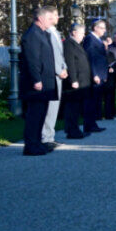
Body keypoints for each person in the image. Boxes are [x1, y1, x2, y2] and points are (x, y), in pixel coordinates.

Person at [19, 6, 59, 156]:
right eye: (49, 18)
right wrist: (36, 79)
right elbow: (32, 59)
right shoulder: (32, 34)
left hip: (45, 82)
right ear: (40, 18)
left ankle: (37, 143)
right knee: (34, 115)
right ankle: (30, 145)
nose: (51, 21)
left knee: (41, 114)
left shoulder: (42, 33)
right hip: (37, 82)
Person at [42, 9, 69, 152]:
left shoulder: (55, 33)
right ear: (50, 16)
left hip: (59, 73)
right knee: (50, 108)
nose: (58, 17)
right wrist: (59, 70)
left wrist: (64, 67)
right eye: (56, 15)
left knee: (54, 108)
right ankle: (45, 137)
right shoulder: (47, 33)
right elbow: (51, 55)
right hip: (52, 75)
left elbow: (60, 54)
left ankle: (50, 136)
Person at [62, 23, 92, 139]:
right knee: (72, 108)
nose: (83, 36)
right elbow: (70, 63)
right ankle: (72, 130)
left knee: (75, 108)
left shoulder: (76, 44)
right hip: (75, 82)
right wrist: (73, 79)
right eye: (81, 33)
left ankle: (73, 129)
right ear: (74, 33)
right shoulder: (69, 44)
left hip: (81, 82)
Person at [82, 20, 109, 130]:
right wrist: (95, 74)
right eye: (102, 28)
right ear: (95, 28)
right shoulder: (90, 39)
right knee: (91, 101)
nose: (104, 30)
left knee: (95, 101)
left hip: (100, 74)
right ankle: (89, 125)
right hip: (95, 75)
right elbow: (90, 58)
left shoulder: (97, 40)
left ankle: (92, 124)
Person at [103, 31, 116, 120]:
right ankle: (110, 111)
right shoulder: (110, 49)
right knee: (110, 92)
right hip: (111, 74)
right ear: (114, 39)